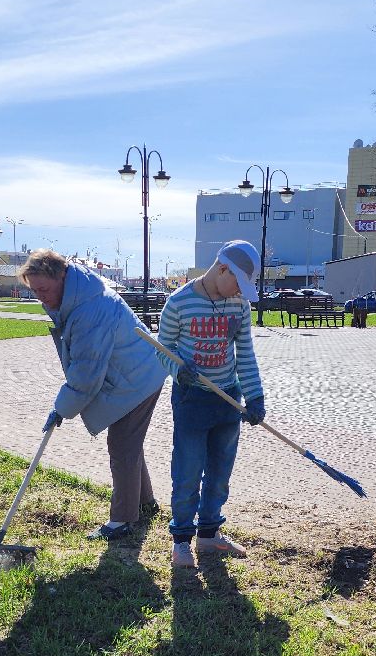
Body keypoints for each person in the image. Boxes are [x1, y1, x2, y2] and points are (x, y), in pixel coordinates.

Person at [19, 249, 166, 541]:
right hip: (136, 373)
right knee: (129, 443)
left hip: (137, 378)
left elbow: (86, 375)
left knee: (123, 445)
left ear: (61, 276)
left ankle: (122, 521)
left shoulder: (90, 310)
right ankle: (145, 503)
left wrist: (62, 408)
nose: (40, 297)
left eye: (44, 289)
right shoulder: (80, 294)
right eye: (34, 291)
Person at [155, 240, 266, 569]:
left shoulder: (239, 305)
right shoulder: (179, 303)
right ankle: (181, 542)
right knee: (188, 472)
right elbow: (162, 349)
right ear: (222, 269)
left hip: (228, 398)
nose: (240, 292)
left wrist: (255, 395)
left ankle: (208, 534)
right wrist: (179, 370)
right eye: (238, 283)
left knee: (219, 472)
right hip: (191, 399)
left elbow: (244, 353)